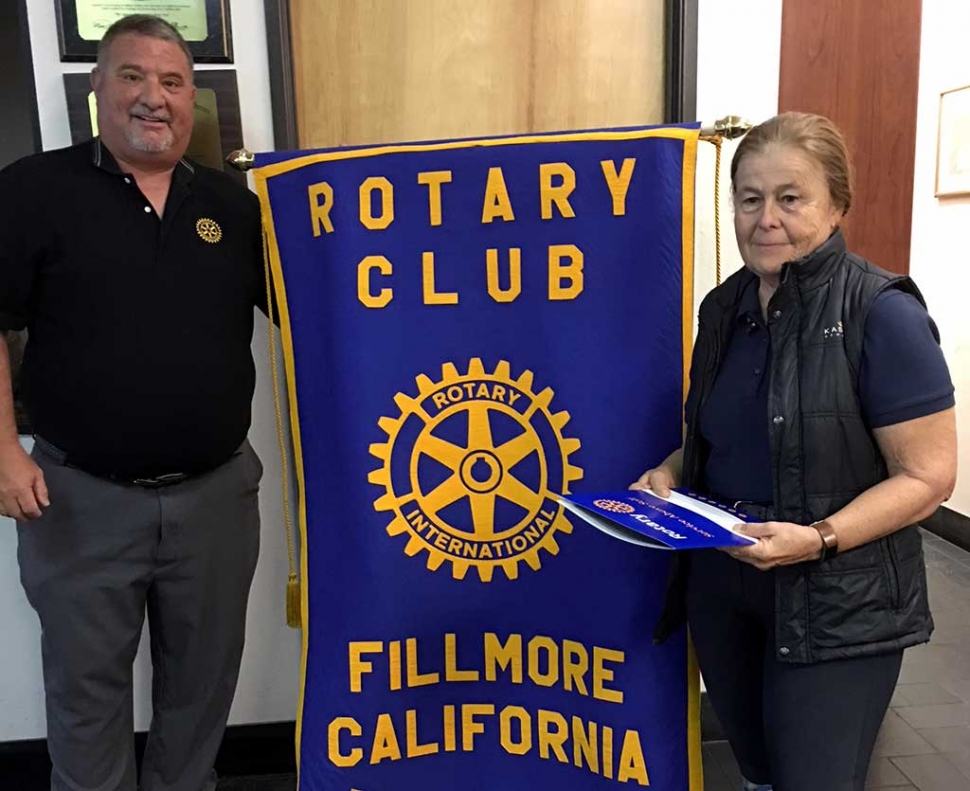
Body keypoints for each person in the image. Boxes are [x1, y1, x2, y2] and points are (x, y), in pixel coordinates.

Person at [634, 112, 957, 791]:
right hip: (726, 587)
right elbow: (718, 430)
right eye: (749, 198)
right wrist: (670, 470)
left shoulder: (881, 312)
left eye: (790, 197)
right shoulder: (723, 308)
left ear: (837, 205)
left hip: (836, 600)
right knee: (756, 768)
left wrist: (817, 537)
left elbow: (928, 477)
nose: (765, 218)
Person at [0, 15, 268, 791]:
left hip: (216, 500)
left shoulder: (234, 204)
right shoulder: (32, 190)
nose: (155, 98)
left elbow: (316, 308)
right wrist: (3, 449)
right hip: (81, 500)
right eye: (133, 76)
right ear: (98, 88)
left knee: (201, 691)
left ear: (193, 98)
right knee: (87, 696)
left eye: (174, 82)